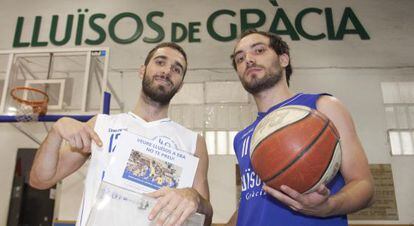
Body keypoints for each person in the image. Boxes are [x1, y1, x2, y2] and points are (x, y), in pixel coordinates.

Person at [29, 42, 213, 226]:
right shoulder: (101, 125)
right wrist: (56, 131)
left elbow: (204, 219)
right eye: (160, 62)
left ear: (180, 85)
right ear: (142, 71)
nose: (166, 71)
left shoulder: (193, 143)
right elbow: (40, 180)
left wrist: (194, 197)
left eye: (176, 69)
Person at [227, 30, 375, 226]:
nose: (248, 60)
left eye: (259, 50)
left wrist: (328, 206)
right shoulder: (242, 137)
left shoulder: (322, 107)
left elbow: (365, 186)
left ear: (283, 59)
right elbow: (253, 200)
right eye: (240, 58)